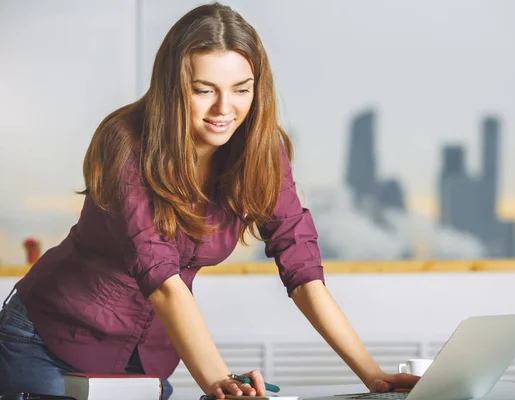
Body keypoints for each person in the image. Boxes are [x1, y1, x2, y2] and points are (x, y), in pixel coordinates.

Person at [0, 3, 419, 399]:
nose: (225, 109)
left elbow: (303, 269)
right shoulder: (125, 144)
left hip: (149, 358)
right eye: (204, 90)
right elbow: (161, 280)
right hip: (50, 342)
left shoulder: (262, 152)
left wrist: (373, 374)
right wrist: (219, 380)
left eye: (241, 89)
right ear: (172, 89)